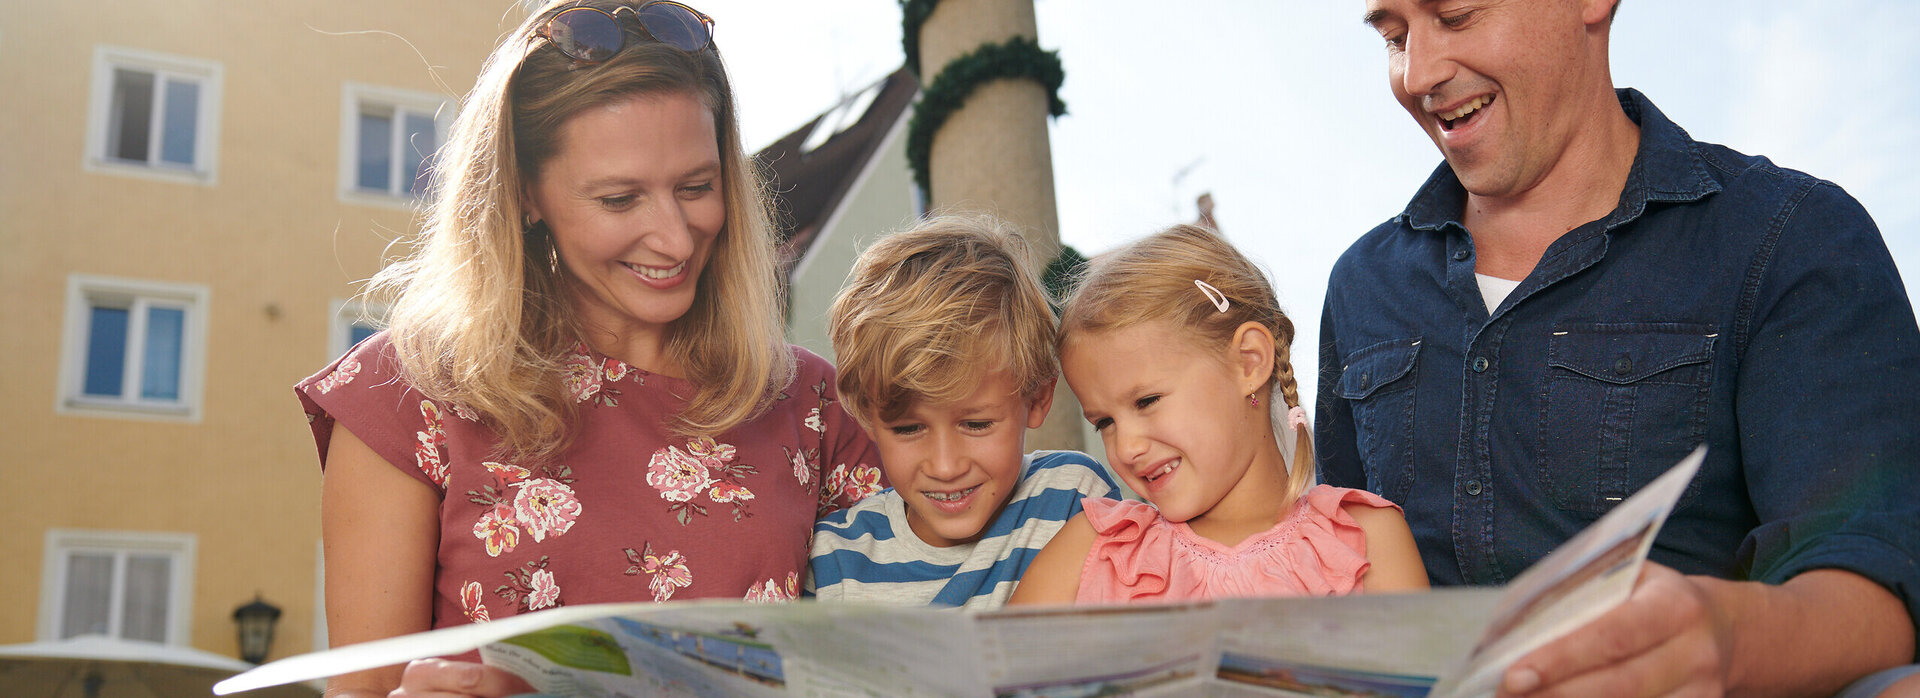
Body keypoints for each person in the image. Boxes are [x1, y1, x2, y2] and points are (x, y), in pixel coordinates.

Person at [1322, 1, 1920, 695]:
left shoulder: (1791, 236)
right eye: (1394, 38)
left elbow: (1878, 585)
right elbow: (1335, 568)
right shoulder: (1361, 285)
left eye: (1456, 14)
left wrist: (1724, 640)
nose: (1417, 72)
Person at [294, 2, 881, 695]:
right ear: (525, 193)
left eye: (697, 187)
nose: (674, 236)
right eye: (620, 199)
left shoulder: (814, 408)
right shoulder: (406, 394)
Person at [1010, 225, 1429, 605]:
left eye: (1147, 401)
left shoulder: (1366, 540)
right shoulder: (1090, 550)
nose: (1127, 447)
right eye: (1104, 422)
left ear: (1249, 362)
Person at [806, 215, 1121, 609]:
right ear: (868, 417)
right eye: (907, 429)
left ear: (1037, 398)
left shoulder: (1071, 499)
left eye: (975, 424)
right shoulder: (834, 561)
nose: (945, 466)